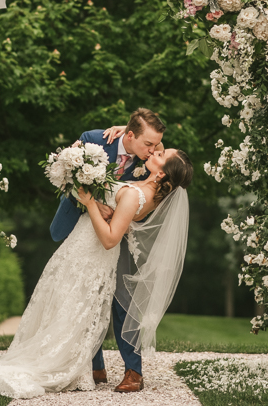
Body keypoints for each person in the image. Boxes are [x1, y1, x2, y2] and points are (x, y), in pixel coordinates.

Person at [0, 143, 193, 399]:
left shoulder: (135, 194)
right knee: (67, 306)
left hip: (90, 253)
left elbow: (109, 240)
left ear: (163, 174)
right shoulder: (149, 191)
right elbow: (128, 204)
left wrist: (90, 202)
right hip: (84, 249)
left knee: (68, 305)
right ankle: (79, 364)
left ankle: (58, 363)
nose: (157, 150)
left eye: (162, 153)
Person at [48, 108, 166, 392]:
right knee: (86, 294)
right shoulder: (94, 140)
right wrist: (93, 205)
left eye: (155, 145)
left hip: (119, 233)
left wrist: (143, 144)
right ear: (129, 136)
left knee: (122, 299)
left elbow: (162, 154)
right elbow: (67, 178)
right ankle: (94, 364)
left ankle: (133, 371)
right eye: (147, 144)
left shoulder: (151, 158)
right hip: (83, 226)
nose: (152, 151)